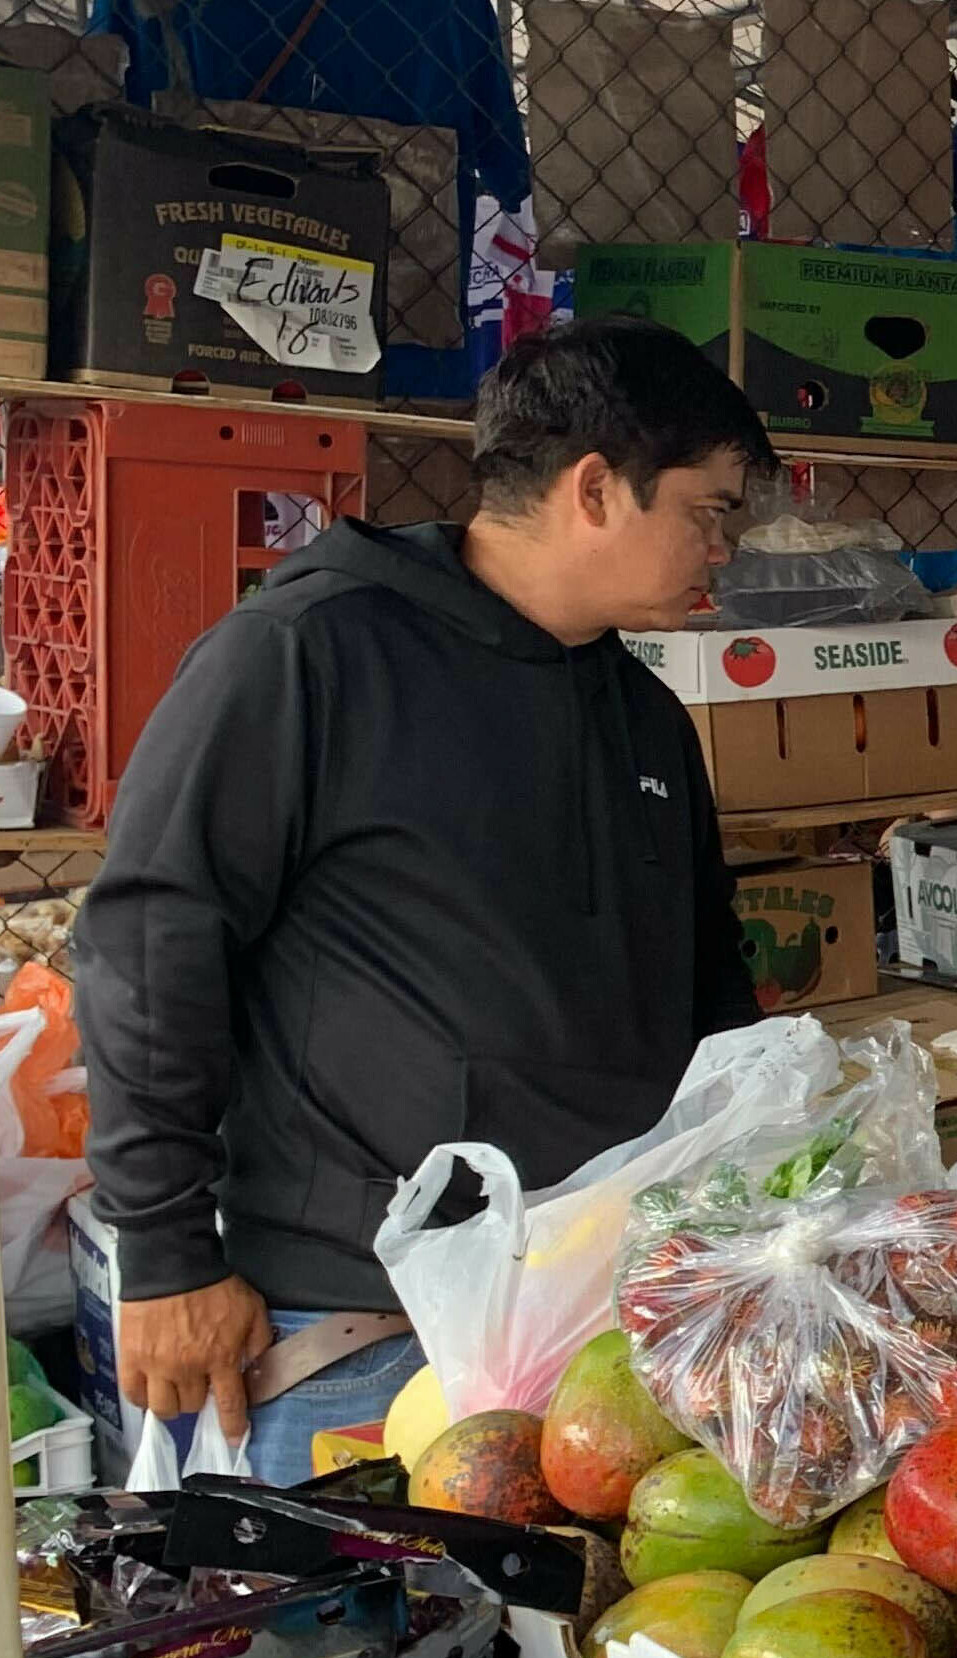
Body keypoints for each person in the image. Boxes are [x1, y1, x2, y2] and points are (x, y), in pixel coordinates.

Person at [75, 317, 774, 1478]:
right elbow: (151, 938)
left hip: (605, 1334)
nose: (725, 550)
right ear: (594, 489)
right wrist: (164, 1251)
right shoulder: (306, 654)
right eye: (710, 510)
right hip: (359, 1332)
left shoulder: (645, 718)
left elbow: (714, 1000)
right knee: (350, 1656)